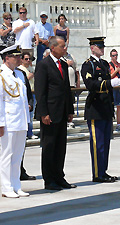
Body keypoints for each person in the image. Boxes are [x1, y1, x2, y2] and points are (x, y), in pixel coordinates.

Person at [34, 36, 76, 190]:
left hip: (62, 112)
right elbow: (40, 91)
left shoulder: (63, 65)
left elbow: (66, 90)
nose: (65, 49)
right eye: (62, 46)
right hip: (50, 113)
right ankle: (49, 179)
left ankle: (59, 176)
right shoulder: (43, 65)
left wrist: (69, 110)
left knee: (60, 147)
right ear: (53, 47)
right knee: (49, 146)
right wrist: (44, 113)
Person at [0, 45, 30, 198]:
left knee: (18, 155)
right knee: (7, 155)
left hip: (20, 120)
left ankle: (16, 185)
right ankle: (6, 187)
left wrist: (27, 119)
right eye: (16, 56)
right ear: (7, 58)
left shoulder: (19, 75)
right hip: (8, 122)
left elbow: (23, 99)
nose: (19, 59)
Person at [81, 36, 120, 183]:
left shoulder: (104, 64)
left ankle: (103, 171)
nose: (102, 49)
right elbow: (90, 84)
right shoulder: (88, 65)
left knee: (105, 143)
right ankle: (97, 174)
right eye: (99, 46)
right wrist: (109, 83)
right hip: (95, 107)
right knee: (97, 143)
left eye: (103, 46)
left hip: (106, 107)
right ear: (92, 48)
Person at [17, 52, 37, 139]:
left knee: (31, 115)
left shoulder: (31, 68)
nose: (28, 60)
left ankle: (30, 132)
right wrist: (29, 76)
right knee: (24, 115)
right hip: (25, 94)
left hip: (33, 93)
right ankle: (25, 133)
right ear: (21, 60)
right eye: (26, 59)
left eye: (29, 59)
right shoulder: (20, 69)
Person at [61, 48, 80, 129]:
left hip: (72, 85)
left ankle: (70, 121)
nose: (64, 48)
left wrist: (78, 83)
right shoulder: (59, 57)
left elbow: (77, 70)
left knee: (71, 103)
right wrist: (66, 65)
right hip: (63, 86)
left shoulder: (71, 56)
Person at [109, 49, 120, 132]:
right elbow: (109, 77)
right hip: (113, 87)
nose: (115, 57)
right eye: (113, 55)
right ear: (111, 56)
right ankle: (110, 124)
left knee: (119, 106)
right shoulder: (109, 65)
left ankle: (118, 124)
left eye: (116, 55)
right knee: (111, 106)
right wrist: (115, 71)